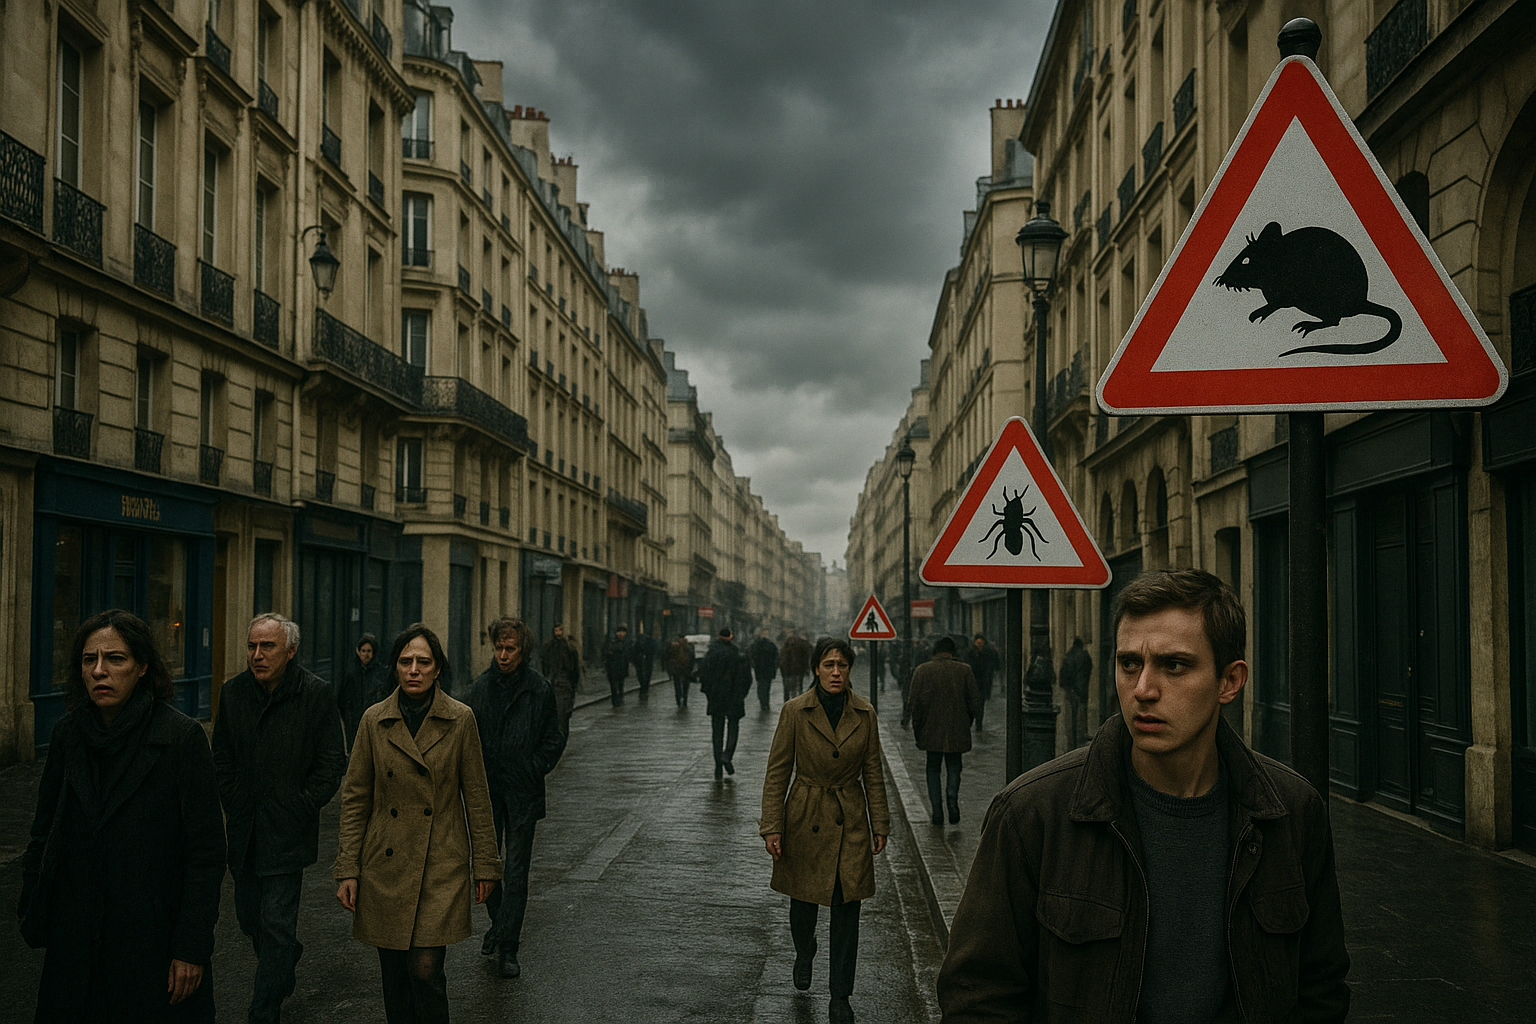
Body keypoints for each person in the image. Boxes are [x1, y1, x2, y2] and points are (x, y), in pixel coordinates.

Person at [937, 569, 1350, 1023]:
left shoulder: (1292, 812)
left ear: (1229, 682)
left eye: (1174, 665)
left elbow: (1321, 986)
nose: (1143, 690)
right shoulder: (1031, 815)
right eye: (1130, 663)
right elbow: (976, 997)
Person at [21, 609, 226, 1022]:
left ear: (142, 668)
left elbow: (204, 855)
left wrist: (190, 948)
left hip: (150, 944)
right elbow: (44, 831)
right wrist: (34, 903)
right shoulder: (68, 734)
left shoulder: (181, 739)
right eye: (88, 659)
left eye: (115, 659)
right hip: (76, 943)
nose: (100, 670)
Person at [334, 624, 502, 1023]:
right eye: (405, 661)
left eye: (423, 662)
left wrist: (487, 864)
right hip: (384, 865)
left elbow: (476, 796)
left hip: (439, 863)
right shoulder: (374, 721)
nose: (414, 669)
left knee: (425, 971)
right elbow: (355, 798)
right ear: (394, 667)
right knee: (394, 976)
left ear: (437, 668)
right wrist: (347, 869)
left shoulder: (461, 720)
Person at [213, 613, 347, 1024]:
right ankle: (285, 954)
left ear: (290, 651)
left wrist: (302, 804)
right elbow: (221, 757)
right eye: (252, 646)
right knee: (250, 917)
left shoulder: (315, 694)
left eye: (267, 646)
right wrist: (235, 801)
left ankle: (264, 1007)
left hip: (288, 831)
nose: (257, 655)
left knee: (275, 919)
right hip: (244, 829)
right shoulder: (233, 693)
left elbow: (331, 761)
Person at [760, 637, 891, 1024]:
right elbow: (777, 771)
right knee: (803, 904)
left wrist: (879, 822)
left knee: (848, 911)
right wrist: (772, 825)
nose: (836, 672)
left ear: (850, 670)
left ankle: (840, 997)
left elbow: (873, 772)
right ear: (816, 668)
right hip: (804, 813)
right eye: (829, 665)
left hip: (850, 816)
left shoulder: (865, 713)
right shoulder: (795, 711)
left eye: (843, 666)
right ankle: (805, 950)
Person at [465, 617, 567, 978]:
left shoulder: (538, 689)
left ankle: (509, 947)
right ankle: (499, 923)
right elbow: (467, 737)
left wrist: (534, 766)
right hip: (488, 791)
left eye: (511, 649)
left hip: (523, 791)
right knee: (486, 866)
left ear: (523, 652)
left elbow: (555, 737)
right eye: (499, 648)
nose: (504, 655)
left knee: (517, 870)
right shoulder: (480, 688)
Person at [907, 635, 981, 825]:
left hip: (930, 730)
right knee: (954, 765)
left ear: (935, 651)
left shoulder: (922, 671)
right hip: (957, 729)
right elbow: (975, 702)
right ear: (952, 652)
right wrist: (968, 722)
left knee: (932, 769)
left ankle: (937, 812)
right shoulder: (964, 670)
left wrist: (918, 729)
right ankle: (952, 799)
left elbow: (914, 705)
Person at [699, 627, 752, 779]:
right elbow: (747, 678)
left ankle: (718, 767)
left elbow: (703, 675)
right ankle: (727, 755)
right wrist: (741, 695)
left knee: (717, 733)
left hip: (716, 698)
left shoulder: (711, 654)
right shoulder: (739, 654)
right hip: (734, 698)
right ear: (731, 637)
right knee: (733, 727)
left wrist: (710, 693)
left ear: (718, 636)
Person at [338, 633, 392, 751]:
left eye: (369, 651)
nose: (366, 655)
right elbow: (342, 699)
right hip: (354, 723)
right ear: (358, 652)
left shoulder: (382, 673)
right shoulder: (351, 674)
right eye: (363, 651)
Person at [540, 623, 583, 733]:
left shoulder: (569, 648)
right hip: (552, 683)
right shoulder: (548, 646)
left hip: (564, 684)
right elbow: (544, 663)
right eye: (556, 630)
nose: (558, 633)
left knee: (563, 714)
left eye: (560, 630)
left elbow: (574, 669)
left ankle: (561, 736)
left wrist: (573, 685)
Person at [1060, 636, 1094, 748]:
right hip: (1082, 689)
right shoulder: (1085, 656)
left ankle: (1072, 744)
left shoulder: (1070, 656)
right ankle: (1080, 742)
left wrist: (1068, 686)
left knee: (1071, 718)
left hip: (1072, 690)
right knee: (1081, 716)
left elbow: (1066, 674)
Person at [964, 633, 1000, 730]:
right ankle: (972, 720)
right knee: (971, 703)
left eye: (981, 643)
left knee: (981, 703)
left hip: (983, 683)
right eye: (977, 642)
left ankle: (978, 723)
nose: (979, 645)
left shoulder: (988, 653)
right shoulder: (969, 652)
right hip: (972, 681)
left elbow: (995, 664)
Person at [749, 630, 780, 711]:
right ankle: (765, 702)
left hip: (760, 670)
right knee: (766, 687)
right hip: (768, 670)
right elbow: (776, 657)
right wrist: (774, 667)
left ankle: (763, 702)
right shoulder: (771, 645)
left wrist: (754, 664)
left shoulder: (756, 645)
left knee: (761, 686)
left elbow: (751, 655)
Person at [779, 630, 812, 702]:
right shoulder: (786, 644)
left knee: (796, 687)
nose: (788, 634)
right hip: (788, 669)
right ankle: (789, 702)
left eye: (790, 632)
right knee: (789, 687)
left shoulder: (800, 644)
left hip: (796, 669)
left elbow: (808, 652)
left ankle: (795, 702)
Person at [604, 625, 633, 706]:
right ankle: (615, 701)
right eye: (619, 632)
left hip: (622, 667)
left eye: (623, 632)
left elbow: (628, 654)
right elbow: (607, 654)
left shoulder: (627, 643)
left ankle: (620, 699)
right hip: (613, 667)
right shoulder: (612, 642)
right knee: (613, 685)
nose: (621, 634)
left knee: (621, 684)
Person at [665, 634, 696, 707]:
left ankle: (678, 699)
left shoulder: (675, 646)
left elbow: (668, 656)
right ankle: (685, 699)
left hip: (677, 668)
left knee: (677, 684)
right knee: (685, 685)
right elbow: (692, 657)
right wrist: (691, 668)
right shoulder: (688, 647)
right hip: (686, 668)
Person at [631, 627, 657, 701]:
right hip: (645, 661)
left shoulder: (646, 641)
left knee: (642, 676)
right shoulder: (650, 641)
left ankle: (643, 690)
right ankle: (644, 690)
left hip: (642, 661)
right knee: (646, 677)